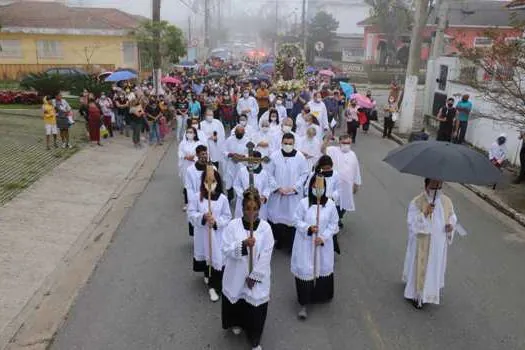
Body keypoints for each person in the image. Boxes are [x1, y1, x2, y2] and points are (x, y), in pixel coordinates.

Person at [221, 190, 275, 350]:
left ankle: (255, 338)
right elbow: (225, 248)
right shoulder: (233, 226)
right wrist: (243, 245)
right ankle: (236, 322)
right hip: (237, 273)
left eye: (255, 208)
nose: (251, 213)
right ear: (242, 208)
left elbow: (266, 254)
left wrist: (255, 276)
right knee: (237, 299)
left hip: (256, 277)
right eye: (248, 208)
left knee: (255, 306)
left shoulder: (265, 228)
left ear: (259, 208)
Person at [402, 178, 457, 309]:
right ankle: (418, 296)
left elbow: (452, 216)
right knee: (420, 267)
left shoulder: (446, 202)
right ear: (426, 186)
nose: (436, 190)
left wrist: (451, 225)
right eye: (433, 187)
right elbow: (412, 224)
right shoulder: (417, 202)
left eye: (439, 187)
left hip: (438, 244)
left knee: (432, 268)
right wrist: (425, 213)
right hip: (422, 243)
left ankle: (430, 293)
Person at [292, 175, 339, 320]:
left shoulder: (330, 205)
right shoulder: (303, 203)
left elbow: (334, 224)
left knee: (322, 268)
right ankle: (304, 303)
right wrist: (308, 228)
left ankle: (320, 295)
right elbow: (295, 220)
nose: (317, 190)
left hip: (322, 244)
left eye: (320, 187)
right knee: (306, 270)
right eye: (314, 187)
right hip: (305, 243)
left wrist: (323, 237)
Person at [188, 169, 232, 302]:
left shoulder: (222, 199)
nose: (210, 184)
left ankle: (215, 284)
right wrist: (202, 217)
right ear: (203, 182)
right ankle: (210, 281)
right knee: (206, 257)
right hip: (202, 234)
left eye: (212, 181)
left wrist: (217, 222)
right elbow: (191, 213)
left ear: (217, 182)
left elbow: (227, 216)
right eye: (207, 181)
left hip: (217, 235)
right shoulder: (197, 197)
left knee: (217, 258)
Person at [267, 133, 309, 252]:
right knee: (278, 219)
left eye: (290, 143)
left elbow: (304, 174)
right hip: (278, 194)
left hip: (293, 195)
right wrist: (277, 187)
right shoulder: (274, 156)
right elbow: (269, 174)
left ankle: (291, 244)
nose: (288, 145)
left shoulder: (300, 157)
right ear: (281, 143)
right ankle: (279, 240)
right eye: (285, 143)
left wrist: (295, 188)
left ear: (294, 143)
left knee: (292, 219)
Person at [325, 135, 362, 231]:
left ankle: (338, 218)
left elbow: (356, 169)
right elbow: (322, 150)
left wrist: (356, 184)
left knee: (344, 205)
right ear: (340, 142)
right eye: (344, 143)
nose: (346, 145)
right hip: (335, 185)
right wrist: (327, 140)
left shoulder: (352, 154)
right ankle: (334, 221)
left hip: (347, 185)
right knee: (334, 203)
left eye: (348, 143)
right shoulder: (333, 150)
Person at [233, 151, 273, 220]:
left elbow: (267, 187)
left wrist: (264, 196)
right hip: (244, 201)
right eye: (251, 160)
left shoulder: (264, 173)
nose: (253, 162)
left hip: (258, 202)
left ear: (260, 161)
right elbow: (236, 185)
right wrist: (243, 194)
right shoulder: (242, 171)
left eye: (256, 160)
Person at [179, 126, 204, 211]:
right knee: (187, 185)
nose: (189, 134)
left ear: (194, 134)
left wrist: (194, 158)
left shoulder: (198, 143)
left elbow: (201, 154)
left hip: (196, 166)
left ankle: (199, 202)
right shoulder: (183, 143)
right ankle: (187, 203)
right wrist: (186, 157)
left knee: (197, 184)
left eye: (191, 132)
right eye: (188, 132)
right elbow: (180, 153)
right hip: (186, 166)